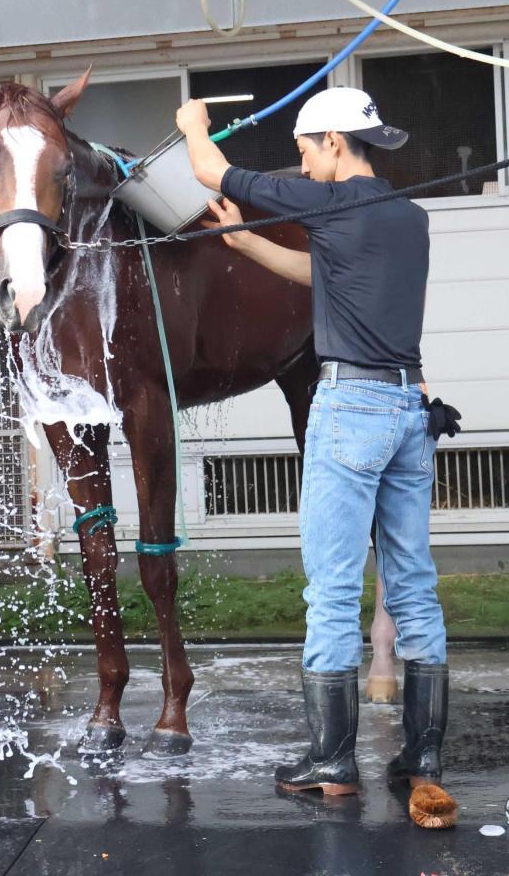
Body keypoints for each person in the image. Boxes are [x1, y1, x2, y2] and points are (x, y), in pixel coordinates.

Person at [176, 86, 448, 797]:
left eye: (304, 152)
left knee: (330, 591)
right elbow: (330, 276)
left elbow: (209, 171)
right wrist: (246, 242)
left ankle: (331, 761)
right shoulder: (410, 220)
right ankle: (422, 760)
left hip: (351, 407)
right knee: (414, 587)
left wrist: (190, 124)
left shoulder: (328, 204)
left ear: (333, 142)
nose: (300, 167)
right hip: (409, 405)